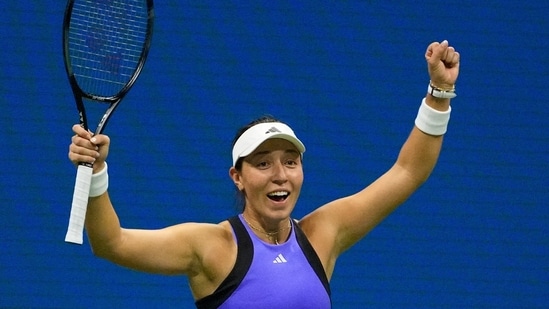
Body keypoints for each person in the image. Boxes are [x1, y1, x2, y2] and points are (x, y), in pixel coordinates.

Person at [68, 40, 460, 308]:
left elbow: (409, 171)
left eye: (290, 161)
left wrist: (438, 95)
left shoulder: (324, 234)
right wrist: (97, 171)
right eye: (262, 163)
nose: (280, 175)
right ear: (237, 177)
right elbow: (112, 243)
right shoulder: (211, 246)